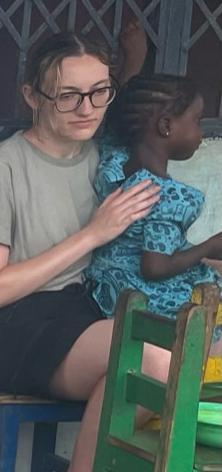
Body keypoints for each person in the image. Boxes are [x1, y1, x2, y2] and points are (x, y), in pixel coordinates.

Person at [0, 29, 163, 472]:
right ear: (32, 96)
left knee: (182, 346)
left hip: (80, 313)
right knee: (149, 359)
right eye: (67, 95)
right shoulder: (1, 170)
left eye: (99, 92)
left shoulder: (104, 156)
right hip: (13, 327)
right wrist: (92, 234)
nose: (85, 107)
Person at [83, 74, 221, 321]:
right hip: (143, 303)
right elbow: (155, 267)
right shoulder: (169, 198)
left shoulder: (114, 166)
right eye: (196, 120)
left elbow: (116, 125)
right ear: (166, 126)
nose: (200, 131)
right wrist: (209, 246)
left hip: (105, 290)